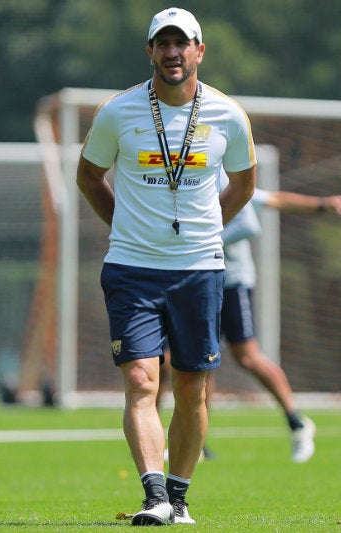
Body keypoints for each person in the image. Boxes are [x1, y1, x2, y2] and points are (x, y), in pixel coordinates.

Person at [76, 7, 257, 526]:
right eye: (163, 44)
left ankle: (178, 497)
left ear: (199, 51)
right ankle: (154, 495)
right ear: (150, 51)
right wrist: (121, 227)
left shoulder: (227, 114)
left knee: (192, 388)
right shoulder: (119, 112)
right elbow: (89, 177)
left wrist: (208, 231)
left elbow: (243, 185)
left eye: (183, 44)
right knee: (140, 380)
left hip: (199, 269)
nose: (173, 53)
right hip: (131, 267)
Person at [159, 186, 341, 463]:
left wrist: (323, 203)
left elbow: (269, 205)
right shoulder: (180, 182)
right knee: (195, 361)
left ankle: (297, 422)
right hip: (193, 283)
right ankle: (193, 440)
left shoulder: (221, 178)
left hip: (231, 282)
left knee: (247, 357)